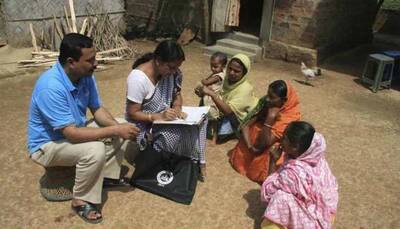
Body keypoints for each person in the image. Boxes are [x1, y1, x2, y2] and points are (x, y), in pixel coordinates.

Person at [27, 33, 140, 224]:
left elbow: (97, 109)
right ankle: (80, 200)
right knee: (95, 148)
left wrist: (119, 127)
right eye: (90, 60)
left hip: (72, 132)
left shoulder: (85, 75)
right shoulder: (51, 87)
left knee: (119, 123)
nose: (95, 63)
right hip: (47, 145)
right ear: (71, 62)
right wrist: (115, 130)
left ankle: (108, 177)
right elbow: (71, 134)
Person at [125, 40, 208, 180]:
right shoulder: (138, 79)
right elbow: (132, 113)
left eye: (176, 68)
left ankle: (199, 161)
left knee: (201, 121)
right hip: (144, 123)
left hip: (166, 117)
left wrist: (177, 107)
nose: (174, 71)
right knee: (174, 135)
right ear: (158, 61)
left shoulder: (172, 74)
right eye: (171, 67)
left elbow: (177, 94)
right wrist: (156, 117)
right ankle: (165, 160)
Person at [261, 121, 338, 229]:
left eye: (284, 138)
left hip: (314, 223)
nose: (280, 140)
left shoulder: (293, 174)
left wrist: (273, 161)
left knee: (279, 198)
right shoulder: (317, 158)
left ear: (295, 147)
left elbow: (267, 192)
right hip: (327, 214)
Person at [230, 80, 301, 184]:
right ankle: (244, 163)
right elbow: (246, 125)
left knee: (273, 146)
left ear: (284, 100)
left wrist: (270, 118)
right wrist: (250, 147)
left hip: (268, 149)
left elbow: (264, 143)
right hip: (252, 147)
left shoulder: (290, 116)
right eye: (268, 94)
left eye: (272, 97)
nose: (267, 99)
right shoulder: (266, 103)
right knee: (255, 129)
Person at [195, 53, 258, 143]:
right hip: (221, 112)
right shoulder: (225, 78)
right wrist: (202, 92)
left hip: (235, 118)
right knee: (206, 99)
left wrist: (212, 94)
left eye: (236, 71)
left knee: (220, 132)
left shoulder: (245, 89)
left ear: (244, 73)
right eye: (230, 68)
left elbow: (229, 112)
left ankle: (233, 132)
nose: (231, 73)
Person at [198, 51, 227, 120]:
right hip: (207, 97)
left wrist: (203, 81)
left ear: (223, 66)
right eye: (211, 66)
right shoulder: (215, 73)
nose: (213, 68)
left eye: (215, 66)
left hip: (212, 100)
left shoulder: (219, 75)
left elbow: (206, 82)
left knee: (209, 115)